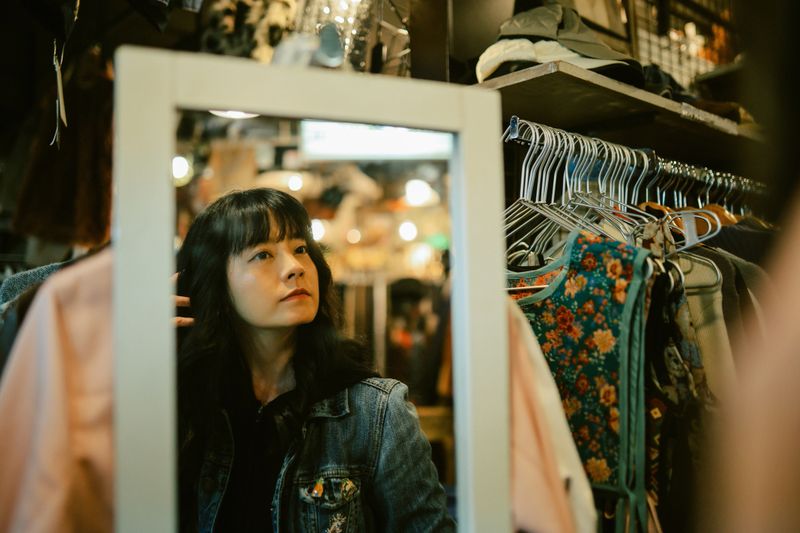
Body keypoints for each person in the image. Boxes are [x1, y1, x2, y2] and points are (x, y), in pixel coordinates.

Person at [174, 187, 455, 532]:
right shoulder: (183, 407)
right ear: (214, 281)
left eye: (300, 248)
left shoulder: (374, 414)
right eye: (262, 254)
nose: (294, 267)